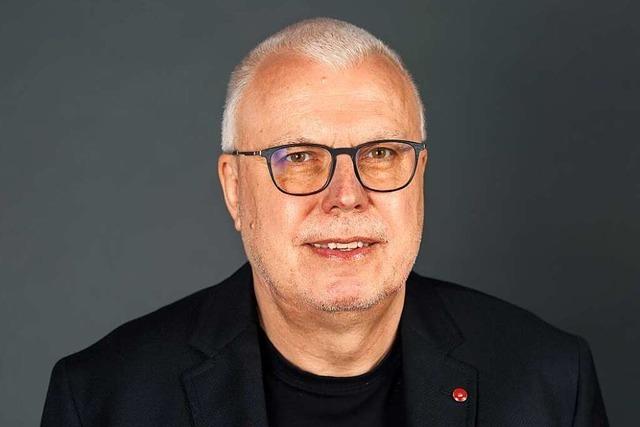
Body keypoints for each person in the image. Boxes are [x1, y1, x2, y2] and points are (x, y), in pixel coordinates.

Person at [41, 17, 608, 426]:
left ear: (421, 175)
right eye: (298, 157)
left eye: (380, 153)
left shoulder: (550, 382)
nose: (346, 197)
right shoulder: (102, 400)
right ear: (234, 189)